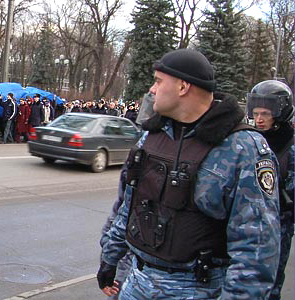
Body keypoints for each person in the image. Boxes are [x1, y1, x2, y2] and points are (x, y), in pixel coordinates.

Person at [97, 49, 280, 299]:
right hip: (138, 280)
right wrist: (110, 257)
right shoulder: (151, 137)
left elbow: (256, 250)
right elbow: (128, 207)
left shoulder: (243, 148)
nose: (152, 89)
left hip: (197, 288)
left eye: (159, 81)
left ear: (183, 87)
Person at [246, 80, 294, 300]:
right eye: (256, 113)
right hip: (246, 223)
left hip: (278, 224)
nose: (260, 119)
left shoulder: (290, 146)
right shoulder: (249, 141)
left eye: (265, 113)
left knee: (270, 282)